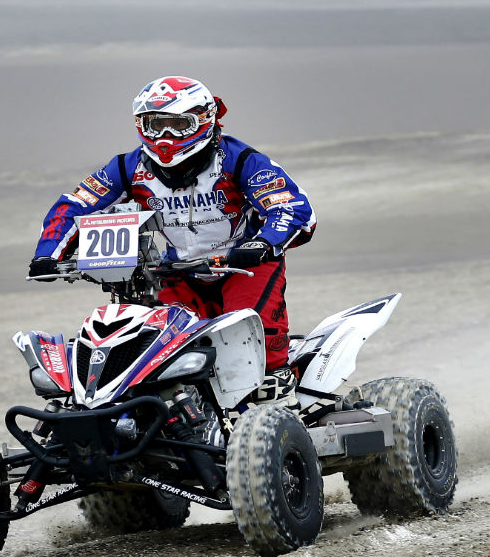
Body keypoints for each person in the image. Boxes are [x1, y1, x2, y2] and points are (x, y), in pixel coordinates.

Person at [28, 76, 316, 403]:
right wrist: (47, 254)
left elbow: (292, 207)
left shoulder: (240, 159)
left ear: (204, 120)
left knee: (255, 352)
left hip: (244, 265)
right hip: (177, 271)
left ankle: (283, 401)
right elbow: (75, 204)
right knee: (153, 355)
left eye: (178, 125)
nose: (166, 136)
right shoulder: (127, 167)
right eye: (155, 125)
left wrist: (263, 243)